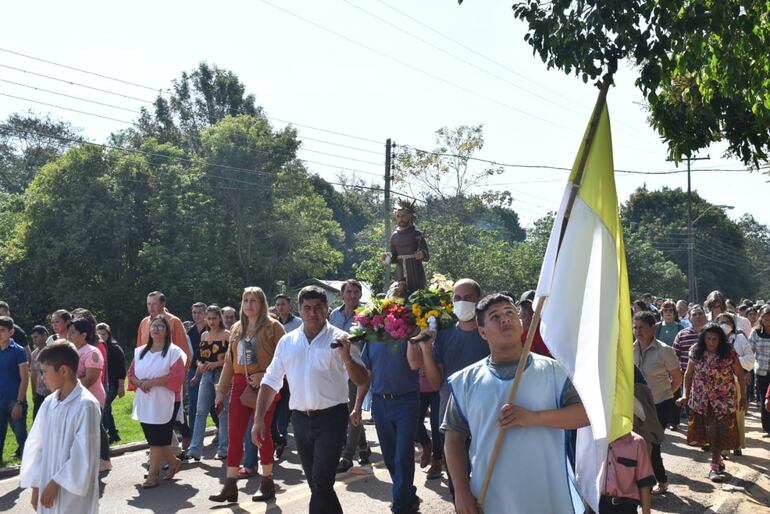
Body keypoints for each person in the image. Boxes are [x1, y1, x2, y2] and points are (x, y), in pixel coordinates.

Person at [442, 294, 588, 514]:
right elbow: (453, 436)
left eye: (510, 313)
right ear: (482, 332)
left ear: (521, 324)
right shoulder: (466, 381)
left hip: (547, 491)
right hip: (490, 494)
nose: (505, 319)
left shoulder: (554, 371)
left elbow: (584, 415)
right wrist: (461, 491)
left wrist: (534, 417)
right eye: (495, 316)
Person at [254, 286, 370, 514]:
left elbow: (362, 378)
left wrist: (347, 359)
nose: (312, 313)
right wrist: (258, 419)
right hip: (300, 420)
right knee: (318, 486)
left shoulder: (340, 339)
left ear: (327, 309)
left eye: (318, 308)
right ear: (300, 309)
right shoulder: (287, 342)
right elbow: (270, 381)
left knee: (321, 483)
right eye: (307, 308)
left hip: (331, 419)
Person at [211, 287, 285, 503]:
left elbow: (286, 357)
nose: (249, 304)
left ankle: (267, 481)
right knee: (234, 434)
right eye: (246, 300)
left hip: (266, 385)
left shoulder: (273, 327)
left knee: (261, 434)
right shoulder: (235, 328)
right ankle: (230, 485)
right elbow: (228, 362)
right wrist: (220, 391)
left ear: (262, 303)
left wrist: (264, 374)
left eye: (254, 300)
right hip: (240, 385)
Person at [417, 278, 488, 488]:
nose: (462, 302)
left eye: (468, 298)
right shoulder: (444, 337)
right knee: (460, 490)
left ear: (479, 300)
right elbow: (436, 382)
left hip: (485, 420)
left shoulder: (490, 335)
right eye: (457, 298)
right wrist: (426, 350)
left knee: (486, 488)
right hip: (452, 423)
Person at [19, 342, 101, 513]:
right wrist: (36, 485)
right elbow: (37, 444)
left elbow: (84, 453)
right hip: (47, 483)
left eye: (45, 372)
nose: (42, 377)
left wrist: (56, 484)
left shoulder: (86, 405)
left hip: (71, 492)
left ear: (63, 370)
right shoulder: (49, 403)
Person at [358, 304, 424, 514]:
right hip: (380, 403)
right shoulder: (373, 338)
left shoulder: (408, 334)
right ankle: (407, 495)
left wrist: (412, 338)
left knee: (403, 455)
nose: (388, 319)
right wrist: (357, 406)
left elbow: (415, 366)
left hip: (407, 402)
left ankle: (399, 506)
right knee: (389, 457)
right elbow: (367, 375)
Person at [677, 323, 746, 481]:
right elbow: (688, 374)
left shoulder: (728, 352)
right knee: (709, 433)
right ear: (703, 338)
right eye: (708, 338)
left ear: (720, 339)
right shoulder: (696, 350)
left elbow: (740, 375)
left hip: (724, 400)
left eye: (715, 339)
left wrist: (743, 398)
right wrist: (685, 395)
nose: (711, 342)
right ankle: (718, 459)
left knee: (719, 431)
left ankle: (713, 467)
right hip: (701, 399)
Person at [128, 315, 186, 488]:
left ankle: (153, 475)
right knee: (155, 438)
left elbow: (176, 376)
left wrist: (152, 383)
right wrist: (140, 383)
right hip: (146, 400)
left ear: (167, 331)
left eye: (160, 326)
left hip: (167, 401)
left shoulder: (175, 352)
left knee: (157, 439)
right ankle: (174, 462)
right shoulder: (139, 352)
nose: (156, 328)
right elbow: (131, 374)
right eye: (154, 325)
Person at [632, 311, 682, 495]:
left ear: (653, 328)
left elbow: (677, 378)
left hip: (660, 403)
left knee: (652, 442)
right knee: (639, 443)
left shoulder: (664, 350)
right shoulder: (630, 349)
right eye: (635, 327)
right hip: (637, 404)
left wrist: (666, 393)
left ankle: (658, 479)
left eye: (642, 327)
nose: (638, 331)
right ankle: (646, 481)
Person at [136, 292, 192, 451]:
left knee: (169, 412)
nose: (151, 307)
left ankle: (172, 444)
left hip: (169, 377)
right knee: (153, 415)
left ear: (162, 304)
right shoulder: (144, 323)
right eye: (148, 304)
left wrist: (181, 377)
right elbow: (140, 350)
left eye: (154, 304)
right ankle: (165, 449)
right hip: (148, 378)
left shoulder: (174, 322)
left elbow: (184, 353)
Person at [331, 279, 372, 473]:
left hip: (358, 369)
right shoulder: (334, 315)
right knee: (349, 410)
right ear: (342, 294)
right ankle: (363, 446)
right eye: (349, 292)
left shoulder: (367, 315)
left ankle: (347, 456)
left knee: (354, 409)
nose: (353, 295)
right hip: (338, 369)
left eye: (356, 292)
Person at [186, 305, 230, 462]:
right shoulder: (204, 335)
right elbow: (199, 357)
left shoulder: (227, 335)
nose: (212, 321)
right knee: (200, 411)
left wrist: (216, 365)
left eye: (214, 318)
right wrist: (199, 369)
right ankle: (195, 449)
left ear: (220, 318)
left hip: (222, 375)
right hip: (206, 375)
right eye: (209, 318)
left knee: (223, 412)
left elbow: (231, 359)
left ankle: (224, 449)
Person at [67, 317, 111, 473]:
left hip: (91, 397)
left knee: (94, 429)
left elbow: (91, 378)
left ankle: (104, 460)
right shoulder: (71, 351)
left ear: (83, 335)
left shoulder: (92, 352)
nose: (69, 335)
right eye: (69, 332)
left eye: (73, 333)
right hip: (74, 396)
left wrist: (70, 389)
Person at [714, 312, 755, 455]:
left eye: (728, 322)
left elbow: (750, 360)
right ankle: (724, 446)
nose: (725, 325)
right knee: (721, 415)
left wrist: (734, 363)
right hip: (717, 384)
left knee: (737, 413)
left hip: (736, 382)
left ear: (733, 324)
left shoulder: (739, 338)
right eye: (721, 322)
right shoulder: (712, 340)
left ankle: (736, 443)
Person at [269, 294, 301, 462]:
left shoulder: (298, 324)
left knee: (286, 405)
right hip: (275, 370)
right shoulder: (271, 323)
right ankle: (279, 437)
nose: (280, 307)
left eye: (283, 304)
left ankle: (281, 434)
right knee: (274, 406)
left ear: (290, 305)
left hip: (292, 372)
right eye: (277, 304)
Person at [382, 199, 429, 295]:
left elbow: (426, 256)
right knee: (400, 293)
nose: (400, 219)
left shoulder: (417, 234)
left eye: (403, 216)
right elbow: (393, 256)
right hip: (400, 269)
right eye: (398, 216)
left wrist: (422, 254)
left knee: (417, 293)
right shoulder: (394, 236)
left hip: (415, 268)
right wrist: (387, 257)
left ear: (410, 216)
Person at [671, 306, 707, 430]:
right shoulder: (682, 334)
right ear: (689, 318)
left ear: (705, 316)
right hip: (688, 377)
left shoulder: (711, 333)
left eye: (700, 314)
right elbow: (675, 355)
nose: (697, 316)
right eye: (694, 314)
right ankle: (696, 433)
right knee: (691, 406)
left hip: (709, 379)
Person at [600, 431, 654, 514]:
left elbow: (644, 483)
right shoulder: (595, 440)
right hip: (599, 506)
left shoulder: (637, 442)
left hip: (625, 507)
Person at [0, 316, 28, 464]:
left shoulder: (18, 351)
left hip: (14, 401)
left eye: (2, 330)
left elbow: (24, 379)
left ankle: (30, 467)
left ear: (11, 332)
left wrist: (19, 402)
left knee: (21, 437)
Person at [96, 323, 126, 444]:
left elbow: (121, 369)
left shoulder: (115, 349)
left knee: (105, 407)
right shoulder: (96, 348)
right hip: (101, 384)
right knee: (103, 408)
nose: (102, 336)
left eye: (104, 334)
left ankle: (112, 433)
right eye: (99, 334)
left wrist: (121, 386)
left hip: (112, 383)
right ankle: (110, 433)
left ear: (109, 334)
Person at [749, 306, 770, 436]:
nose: (768, 323)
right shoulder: (755, 333)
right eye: (766, 320)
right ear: (761, 319)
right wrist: (747, 371)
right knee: (764, 400)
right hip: (761, 371)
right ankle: (767, 427)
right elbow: (750, 353)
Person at [518, 289, 552, 358]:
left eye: (530, 308)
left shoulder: (545, 336)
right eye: (524, 308)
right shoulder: (515, 335)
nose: (526, 312)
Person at [29, 326, 52, 420]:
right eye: (33, 338)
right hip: (40, 393)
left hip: (52, 392)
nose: (34, 340)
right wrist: (34, 394)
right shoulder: (34, 354)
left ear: (45, 336)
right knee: (37, 420)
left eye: (36, 337)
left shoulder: (52, 351)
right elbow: (33, 374)